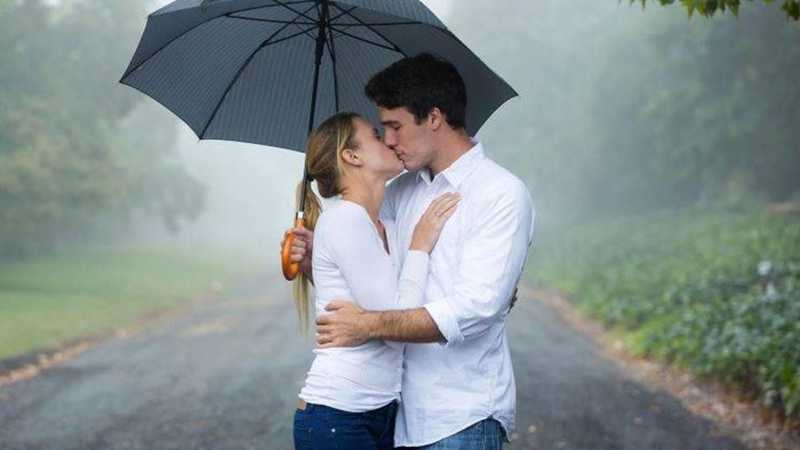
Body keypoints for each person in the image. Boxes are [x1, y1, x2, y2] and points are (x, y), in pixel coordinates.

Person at [285, 53, 535, 449]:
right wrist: (319, 260)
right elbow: (366, 274)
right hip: (395, 417)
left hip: (461, 414)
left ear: (433, 118)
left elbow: (477, 309)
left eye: (395, 126)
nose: (389, 140)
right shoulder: (400, 193)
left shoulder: (499, 193)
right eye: (382, 129)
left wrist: (368, 324)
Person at [290, 111, 461, 450]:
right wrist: (420, 245)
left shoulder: (383, 225)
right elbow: (397, 324)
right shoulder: (345, 220)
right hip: (340, 416)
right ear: (351, 156)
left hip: (377, 413)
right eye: (376, 135)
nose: (390, 141)